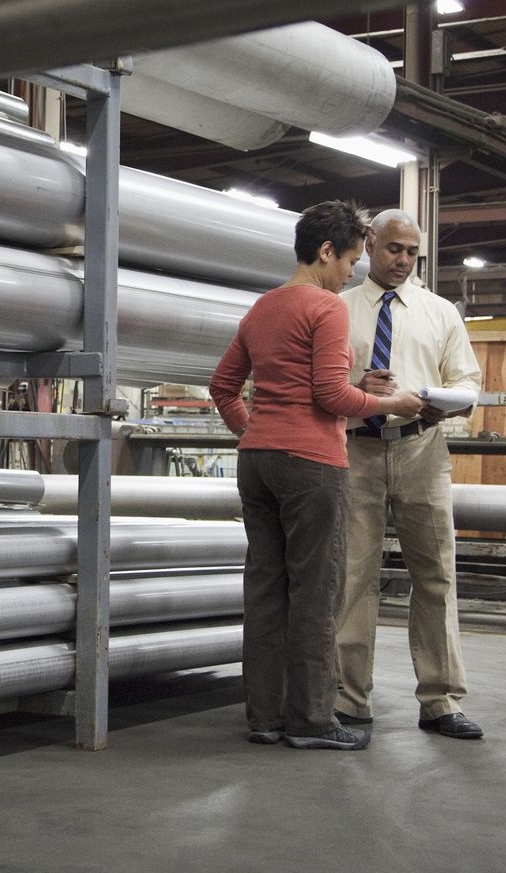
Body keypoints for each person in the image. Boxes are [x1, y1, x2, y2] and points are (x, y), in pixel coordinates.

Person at [210, 200, 422, 751]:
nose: (351, 271)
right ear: (325, 252)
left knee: (264, 590)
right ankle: (310, 720)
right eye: (350, 260)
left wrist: (255, 431)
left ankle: (265, 716)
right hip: (311, 465)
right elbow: (331, 396)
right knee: (315, 592)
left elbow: (222, 386)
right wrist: (394, 401)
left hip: (257, 463)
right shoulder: (327, 309)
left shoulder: (262, 308)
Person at [334, 208, 485, 740]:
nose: (402, 260)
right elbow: (321, 384)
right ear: (370, 243)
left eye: (412, 253)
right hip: (356, 451)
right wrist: (359, 387)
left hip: (423, 450)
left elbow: (467, 379)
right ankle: (348, 699)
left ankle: (441, 700)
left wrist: (449, 404)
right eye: (394, 249)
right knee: (353, 574)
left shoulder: (441, 312)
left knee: (437, 575)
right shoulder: (337, 309)